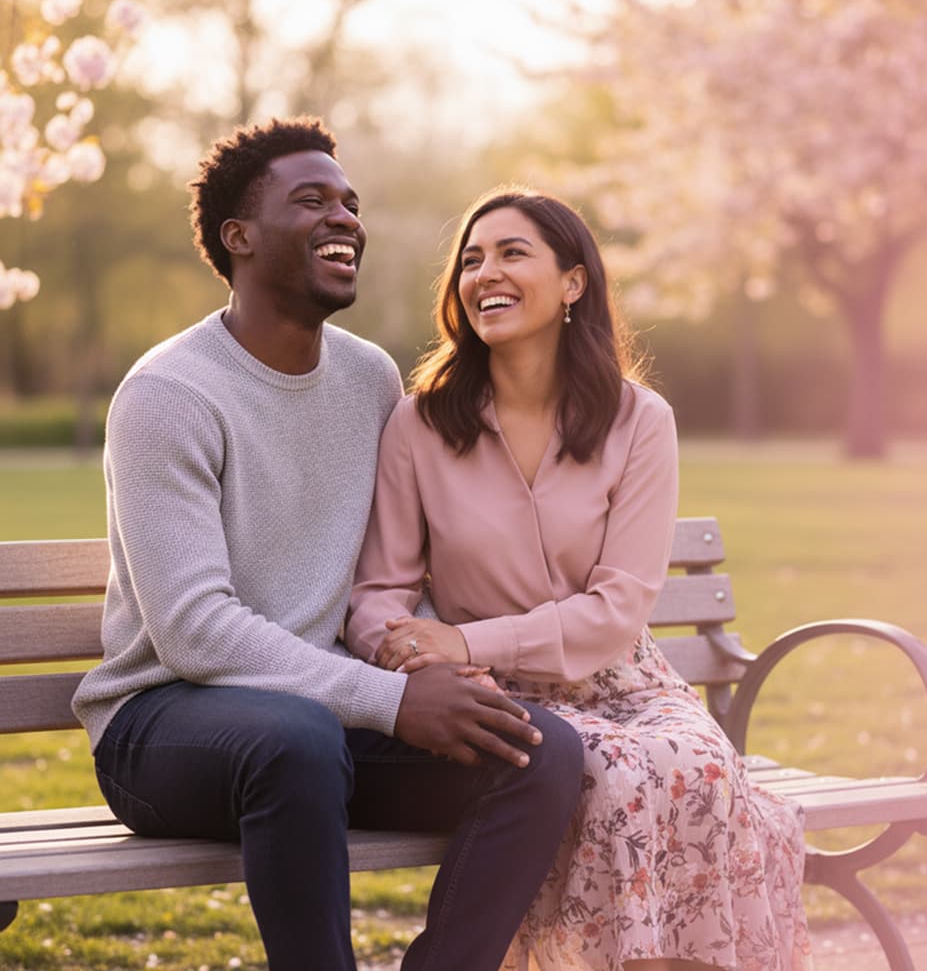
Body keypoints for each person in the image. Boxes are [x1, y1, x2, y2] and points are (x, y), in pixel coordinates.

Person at [71, 119, 585, 971]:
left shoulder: (368, 377)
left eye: (349, 203)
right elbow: (194, 631)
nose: (343, 218)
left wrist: (427, 671)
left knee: (536, 751)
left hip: (322, 715)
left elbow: (387, 567)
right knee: (294, 738)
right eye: (310, 201)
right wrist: (389, 704)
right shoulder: (167, 394)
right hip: (162, 724)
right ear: (238, 237)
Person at [346, 188, 813, 971]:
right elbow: (378, 593)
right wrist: (403, 650)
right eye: (470, 259)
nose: (483, 272)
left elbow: (618, 607)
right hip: (495, 693)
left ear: (573, 283)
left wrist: (459, 635)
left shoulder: (639, 420)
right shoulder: (419, 422)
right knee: (608, 778)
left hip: (625, 680)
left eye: (510, 253)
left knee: (698, 770)